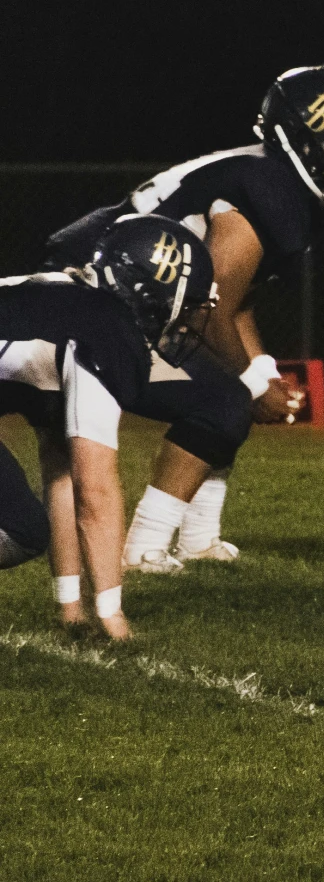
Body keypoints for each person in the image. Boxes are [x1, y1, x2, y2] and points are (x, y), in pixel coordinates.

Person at [43, 67, 324, 573]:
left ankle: (199, 538)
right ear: (306, 142)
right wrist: (249, 383)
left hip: (114, 299)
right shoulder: (268, 186)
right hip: (87, 302)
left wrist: (261, 371)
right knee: (225, 397)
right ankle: (143, 546)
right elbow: (210, 310)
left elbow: (233, 300)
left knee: (233, 390)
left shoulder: (266, 177)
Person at [1, 216, 216, 640]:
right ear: (150, 291)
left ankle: (73, 610)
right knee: (21, 530)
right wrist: (114, 618)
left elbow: (60, 473)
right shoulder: (105, 329)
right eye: (185, 304)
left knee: (29, 516)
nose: (188, 321)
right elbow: (94, 492)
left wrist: (73, 608)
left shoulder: (65, 298)